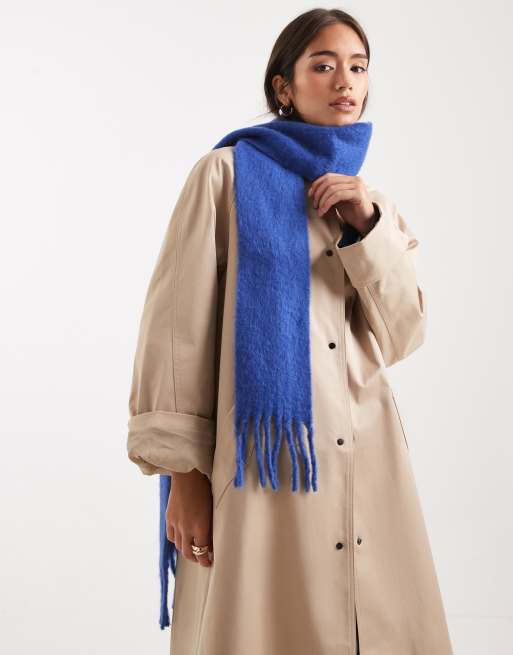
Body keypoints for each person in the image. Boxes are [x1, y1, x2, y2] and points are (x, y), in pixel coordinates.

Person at [127, 8, 454, 655]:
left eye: (358, 67)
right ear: (284, 85)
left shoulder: (371, 203)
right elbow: (175, 333)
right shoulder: (224, 176)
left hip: (367, 458)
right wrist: (183, 477)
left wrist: (364, 226)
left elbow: (402, 333)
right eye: (323, 65)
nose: (345, 81)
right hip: (261, 470)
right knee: (262, 627)